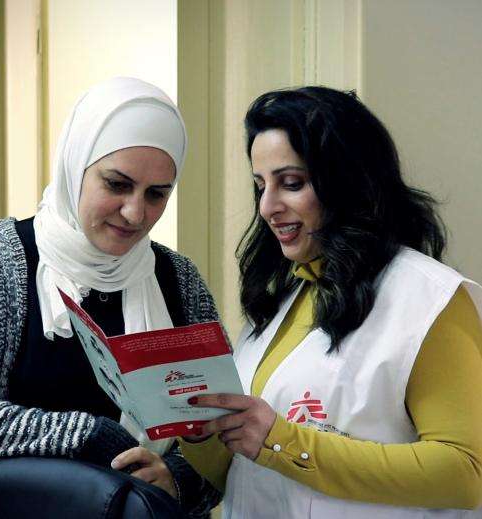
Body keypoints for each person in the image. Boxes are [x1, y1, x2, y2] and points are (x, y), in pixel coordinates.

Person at [179, 86, 482, 518]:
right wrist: (198, 438)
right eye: (260, 185)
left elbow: (464, 474)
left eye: (292, 183)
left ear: (348, 182)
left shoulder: (431, 300)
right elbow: (244, 468)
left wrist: (282, 442)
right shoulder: (283, 299)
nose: (267, 207)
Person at [0, 77, 220, 517]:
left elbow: (217, 436)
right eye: (117, 184)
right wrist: (80, 435)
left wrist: (176, 480)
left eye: (156, 194)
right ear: (75, 164)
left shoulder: (179, 281)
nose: (135, 213)